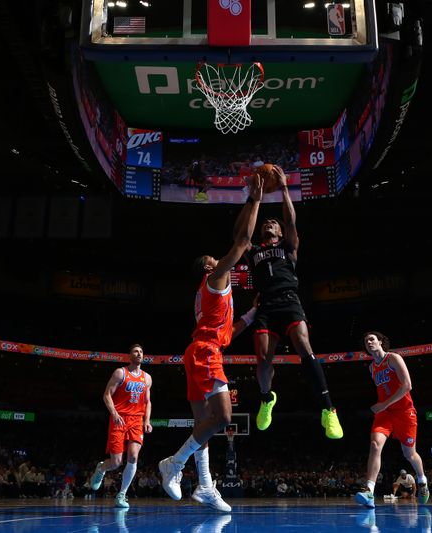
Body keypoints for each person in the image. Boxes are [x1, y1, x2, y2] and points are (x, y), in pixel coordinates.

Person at [158, 174, 264, 512]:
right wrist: (255, 200)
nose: (219, 259)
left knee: (203, 424)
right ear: (208, 266)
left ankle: (204, 486)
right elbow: (243, 241)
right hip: (205, 353)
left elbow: (230, 330)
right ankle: (173, 464)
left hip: (200, 351)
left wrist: (251, 315)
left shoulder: (213, 295)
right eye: (213, 259)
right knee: (221, 419)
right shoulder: (216, 279)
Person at [246, 165, 342, 439]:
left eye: (273, 223)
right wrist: (256, 199)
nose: (269, 224)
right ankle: (266, 398)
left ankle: (328, 410)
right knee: (263, 361)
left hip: (289, 301)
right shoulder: (252, 252)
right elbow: (242, 235)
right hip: (266, 306)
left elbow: (290, 222)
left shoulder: (289, 248)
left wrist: (286, 188)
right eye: (266, 223)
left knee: (304, 348)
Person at [354, 332, 429, 507]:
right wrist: (383, 406)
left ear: (380, 341)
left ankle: (422, 481)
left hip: (404, 412)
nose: (369, 342)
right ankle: (369, 491)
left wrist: (384, 404)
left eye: (372, 339)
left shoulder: (393, 358)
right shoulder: (372, 368)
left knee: (409, 453)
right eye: (366, 341)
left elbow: (407, 386)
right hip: (385, 413)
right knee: (375, 445)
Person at [88, 344, 153, 509]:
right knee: (116, 462)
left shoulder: (147, 378)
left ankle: (121, 495)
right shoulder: (120, 373)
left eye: (141, 351)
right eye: (135, 351)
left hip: (137, 420)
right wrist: (115, 414)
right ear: (129, 356)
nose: (139, 354)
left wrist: (147, 420)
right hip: (119, 419)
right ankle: (101, 468)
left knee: (133, 457)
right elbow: (107, 394)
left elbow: (147, 401)